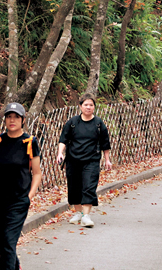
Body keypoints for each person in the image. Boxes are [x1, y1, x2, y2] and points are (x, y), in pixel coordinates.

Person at [0, 102, 42, 270]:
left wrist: (28, 197)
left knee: (9, 242)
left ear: (23, 120)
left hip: (18, 201)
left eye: (16, 117)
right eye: (9, 116)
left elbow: (37, 173)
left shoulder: (30, 142)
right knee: (2, 243)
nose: (12, 120)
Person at [57, 94, 113, 228]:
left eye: (91, 105)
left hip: (91, 160)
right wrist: (60, 153)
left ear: (94, 107)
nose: (88, 107)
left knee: (89, 186)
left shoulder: (99, 124)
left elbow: (105, 144)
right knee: (74, 186)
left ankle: (86, 216)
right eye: (86, 104)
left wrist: (107, 160)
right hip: (73, 159)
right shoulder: (72, 123)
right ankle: (78, 212)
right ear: (80, 106)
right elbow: (63, 140)